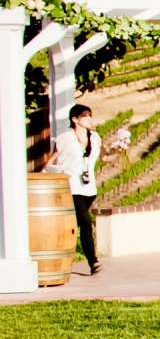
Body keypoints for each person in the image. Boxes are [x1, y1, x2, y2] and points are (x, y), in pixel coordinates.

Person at [54, 103, 104, 275]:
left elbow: (103, 158)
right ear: (75, 119)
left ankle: (68, 253)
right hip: (72, 185)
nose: (89, 119)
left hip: (89, 187)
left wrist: (119, 150)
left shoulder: (95, 137)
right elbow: (53, 159)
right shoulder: (66, 138)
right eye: (85, 116)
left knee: (79, 224)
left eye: (90, 115)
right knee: (85, 221)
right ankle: (93, 261)